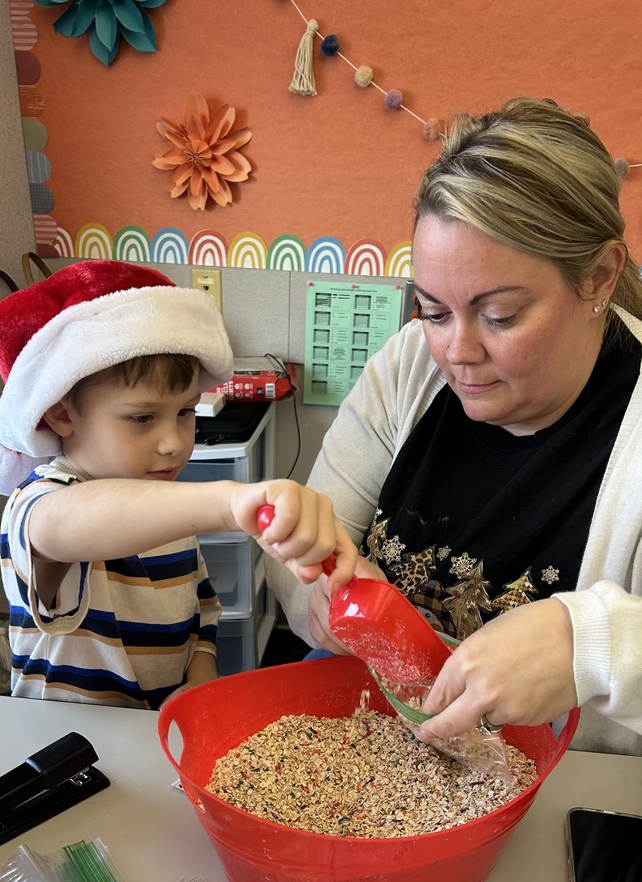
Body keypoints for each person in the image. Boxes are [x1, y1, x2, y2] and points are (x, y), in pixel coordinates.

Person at [266, 97, 642, 755]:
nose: (457, 353)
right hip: (370, 749)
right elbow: (297, 563)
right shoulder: (411, 365)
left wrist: (588, 645)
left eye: (499, 316)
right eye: (434, 311)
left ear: (599, 278)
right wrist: (317, 603)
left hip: (558, 790)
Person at [0, 260, 357, 708]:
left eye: (185, 412)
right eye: (142, 417)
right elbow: (62, 524)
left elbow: (200, 615)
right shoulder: (38, 499)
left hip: (152, 734)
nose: (174, 443)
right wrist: (227, 503)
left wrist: (200, 678)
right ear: (61, 414)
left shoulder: (166, 512)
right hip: (68, 747)